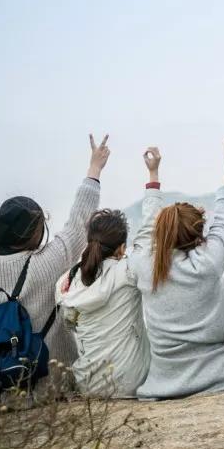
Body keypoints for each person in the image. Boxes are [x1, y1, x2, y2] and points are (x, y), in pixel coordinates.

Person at [0, 134, 111, 400]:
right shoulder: (46, 263)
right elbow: (79, 222)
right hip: (50, 390)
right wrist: (94, 169)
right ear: (34, 233)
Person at [131, 138, 224, 400]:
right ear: (199, 233)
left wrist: (153, 175)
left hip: (163, 383)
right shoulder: (207, 264)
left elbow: (148, 226)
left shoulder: (144, 266)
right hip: (217, 376)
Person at [53, 148, 163, 398]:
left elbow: (70, 325)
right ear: (122, 247)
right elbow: (149, 232)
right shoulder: (127, 271)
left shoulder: (67, 282)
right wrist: (153, 175)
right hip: (132, 382)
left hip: (89, 385)